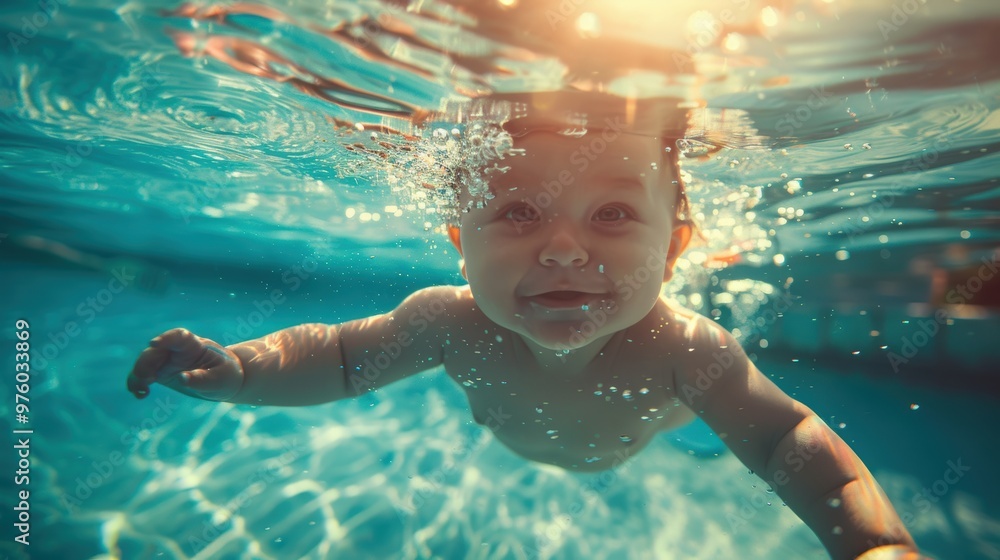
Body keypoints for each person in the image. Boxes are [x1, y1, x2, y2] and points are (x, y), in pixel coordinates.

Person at [126, 92, 927, 560]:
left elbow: (788, 442)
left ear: (675, 246)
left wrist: (874, 545)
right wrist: (238, 370)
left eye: (613, 213)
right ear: (460, 250)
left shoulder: (688, 351)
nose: (565, 249)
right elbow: (338, 358)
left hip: (656, 430)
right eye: (516, 212)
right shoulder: (447, 320)